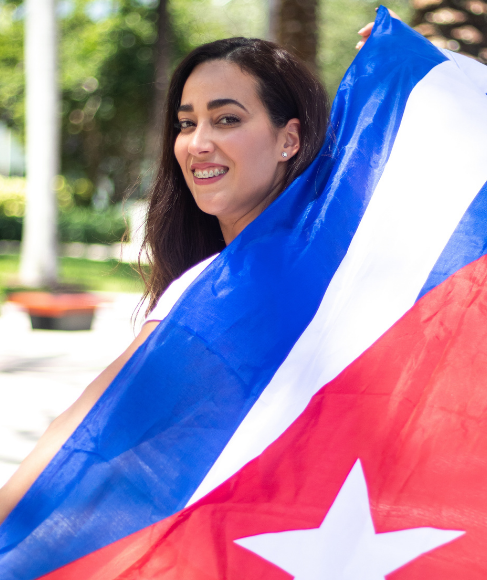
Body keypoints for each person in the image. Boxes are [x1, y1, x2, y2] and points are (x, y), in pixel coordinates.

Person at [0, 35, 337, 525]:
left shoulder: (217, 290)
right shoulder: (313, 264)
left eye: (227, 119)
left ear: (290, 138)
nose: (197, 142)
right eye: (186, 123)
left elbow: (80, 435)